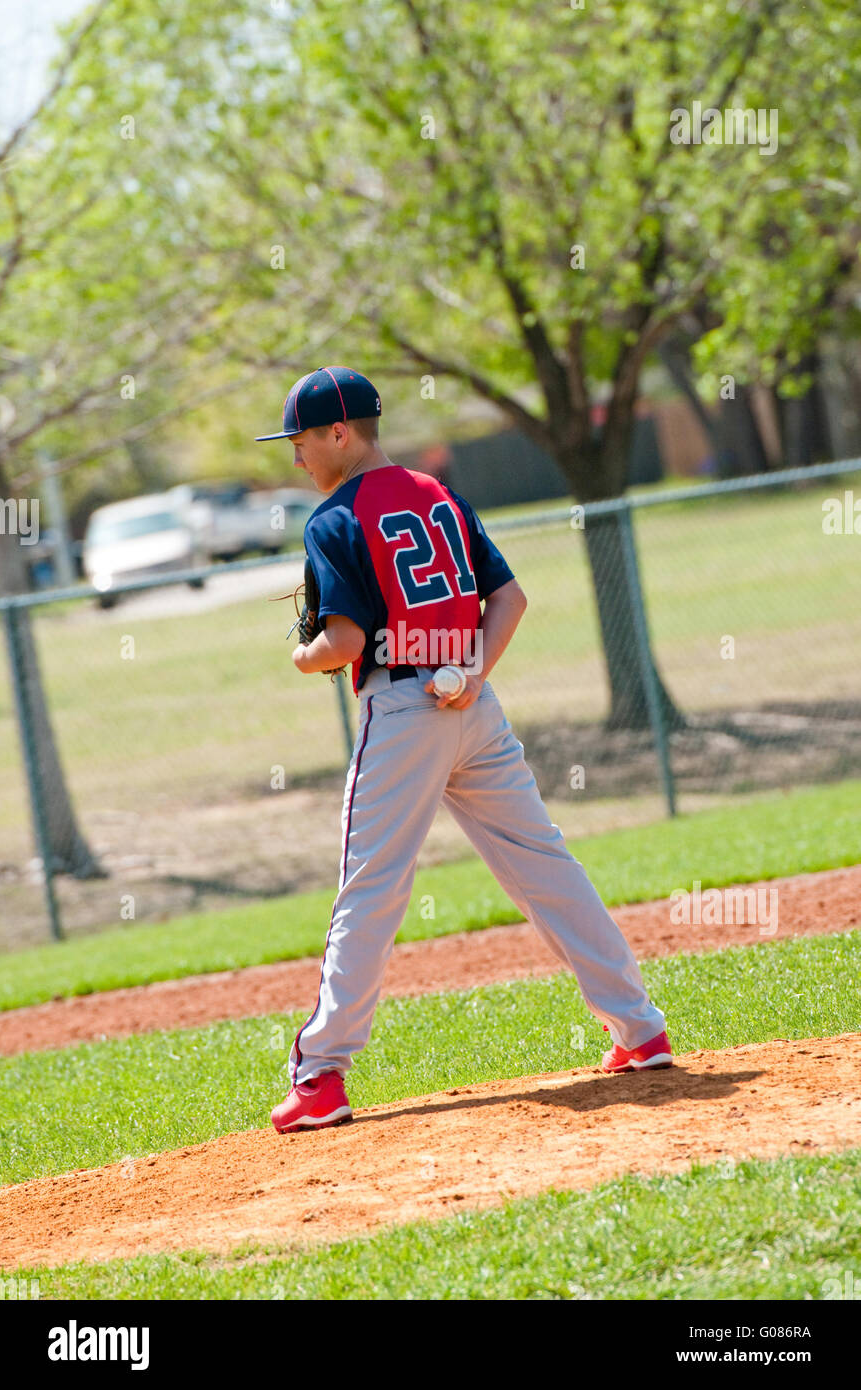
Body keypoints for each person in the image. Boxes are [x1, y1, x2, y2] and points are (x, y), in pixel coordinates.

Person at [255, 366, 672, 1133]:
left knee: (370, 886)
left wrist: (304, 654)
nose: (296, 458)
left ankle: (320, 1076)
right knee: (543, 862)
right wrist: (473, 672)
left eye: (303, 440)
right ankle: (639, 1029)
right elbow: (508, 596)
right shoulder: (437, 493)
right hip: (470, 699)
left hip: (403, 709)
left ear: (339, 434)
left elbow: (343, 640)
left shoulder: (333, 518)